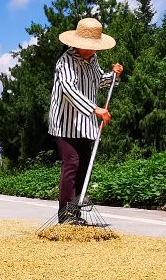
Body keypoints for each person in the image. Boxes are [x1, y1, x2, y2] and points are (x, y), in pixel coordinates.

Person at [48, 17, 124, 225]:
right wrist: (95, 109)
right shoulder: (65, 61)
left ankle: (76, 211)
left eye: (94, 46)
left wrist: (114, 76)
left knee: (83, 166)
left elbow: (98, 80)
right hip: (65, 123)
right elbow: (68, 89)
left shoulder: (93, 59)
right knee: (72, 163)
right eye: (88, 45)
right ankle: (65, 214)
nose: (92, 49)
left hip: (85, 124)